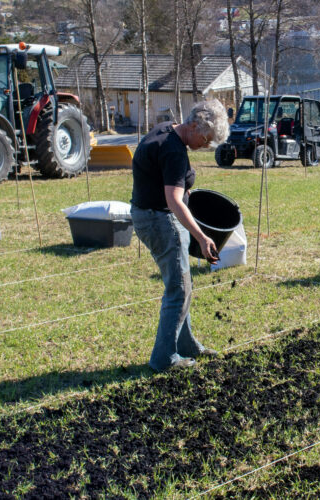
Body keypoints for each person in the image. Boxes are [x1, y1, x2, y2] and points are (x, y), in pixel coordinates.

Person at [131, 100, 231, 372]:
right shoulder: (174, 150)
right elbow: (174, 201)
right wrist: (200, 236)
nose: (205, 145)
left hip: (149, 215)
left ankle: (185, 345)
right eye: (206, 139)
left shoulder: (166, 130)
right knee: (178, 290)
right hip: (160, 220)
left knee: (181, 285)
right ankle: (164, 359)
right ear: (196, 126)